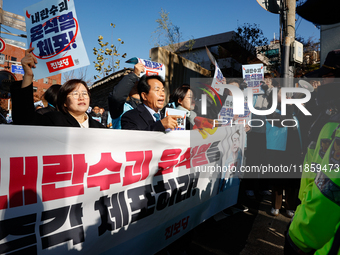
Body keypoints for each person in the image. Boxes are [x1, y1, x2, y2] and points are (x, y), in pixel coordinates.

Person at [285, 49, 340, 255]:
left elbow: (331, 189)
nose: (321, 86)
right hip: (312, 217)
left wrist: (299, 238)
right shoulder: (328, 115)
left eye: (326, 78)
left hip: (320, 235)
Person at [11, 47, 105, 129]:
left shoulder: (99, 128)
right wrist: (28, 75)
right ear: (64, 102)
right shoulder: (54, 120)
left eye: (85, 94)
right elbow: (24, 119)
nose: (81, 97)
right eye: (75, 94)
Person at [108, 63, 144, 129]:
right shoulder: (121, 108)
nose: (137, 81)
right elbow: (117, 97)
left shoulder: (148, 109)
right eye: (135, 80)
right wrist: (134, 75)